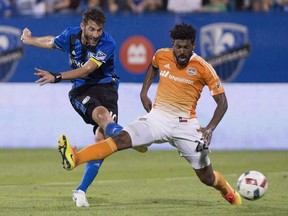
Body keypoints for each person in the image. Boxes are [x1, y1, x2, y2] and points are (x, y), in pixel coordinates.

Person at [58, 23, 242, 206]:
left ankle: (226, 189)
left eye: (186, 47)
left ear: (193, 46)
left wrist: (209, 129)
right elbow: (153, 66)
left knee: (207, 178)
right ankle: (75, 158)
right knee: (120, 139)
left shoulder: (204, 67)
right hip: (157, 119)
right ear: (173, 45)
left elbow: (222, 103)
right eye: (178, 47)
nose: (182, 51)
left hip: (185, 125)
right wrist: (144, 92)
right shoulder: (162, 55)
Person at [21, 8, 145, 207]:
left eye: (99, 30)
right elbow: (51, 42)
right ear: (83, 26)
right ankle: (134, 138)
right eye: (92, 29)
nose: (96, 34)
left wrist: (58, 76)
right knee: (102, 117)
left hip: (106, 87)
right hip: (81, 90)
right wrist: (29, 40)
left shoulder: (108, 42)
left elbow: (88, 69)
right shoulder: (71, 36)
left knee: (102, 137)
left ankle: (80, 191)